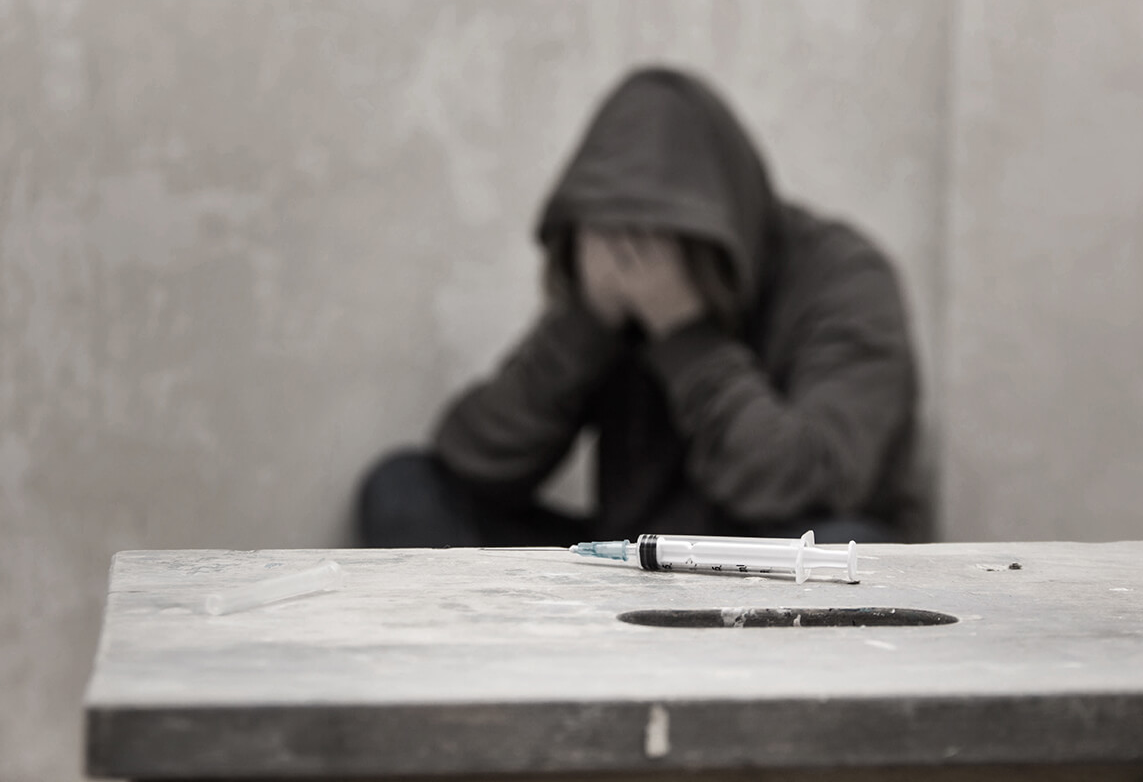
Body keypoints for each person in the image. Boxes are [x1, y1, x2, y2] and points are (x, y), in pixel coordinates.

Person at [357, 66, 923, 549]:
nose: (632, 260)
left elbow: (817, 484)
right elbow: (474, 456)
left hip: (765, 564)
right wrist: (588, 321)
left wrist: (682, 329)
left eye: (650, 239)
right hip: (634, 561)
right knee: (405, 490)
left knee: (848, 545)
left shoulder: (843, 278)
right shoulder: (612, 285)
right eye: (612, 238)